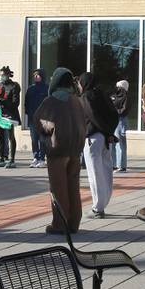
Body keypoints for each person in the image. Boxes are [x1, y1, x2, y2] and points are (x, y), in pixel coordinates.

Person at [33, 68, 86, 234]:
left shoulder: (51, 101)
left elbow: (38, 121)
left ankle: (59, 224)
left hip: (58, 151)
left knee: (58, 188)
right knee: (73, 187)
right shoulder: (77, 100)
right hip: (75, 151)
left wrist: (50, 135)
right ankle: (73, 223)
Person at [80, 72, 119, 219]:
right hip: (105, 138)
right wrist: (109, 132)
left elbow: (93, 116)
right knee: (106, 170)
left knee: (94, 173)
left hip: (93, 137)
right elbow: (115, 115)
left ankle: (97, 208)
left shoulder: (86, 96)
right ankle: (103, 203)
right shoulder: (102, 94)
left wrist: (105, 131)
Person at [0, 66, 21, 168]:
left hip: (10, 114)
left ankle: (12, 160)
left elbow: (16, 103)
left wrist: (3, 101)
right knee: (1, 136)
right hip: (0, 114)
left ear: (8, 75)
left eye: (4, 75)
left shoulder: (14, 86)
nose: (2, 77)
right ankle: (2, 158)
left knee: (11, 137)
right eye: (1, 75)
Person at [26, 68, 48, 168]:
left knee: (43, 139)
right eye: (34, 75)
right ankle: (36, 157)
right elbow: (26, 103)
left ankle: (42, 158)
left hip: (44, 118)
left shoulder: (47, 88)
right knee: (34, 139)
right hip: (33, 118)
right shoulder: (30, 89)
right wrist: (29, 113)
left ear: (42, 76)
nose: (36, 77)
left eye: (38, 75)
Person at [110, 79, 130, 172]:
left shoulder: (126, 97)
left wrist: (116, 112)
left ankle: (121, 165)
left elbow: (125, 109)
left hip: (120, 120)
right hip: (113, 119)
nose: (118, 88)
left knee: (120, 143)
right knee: (112, 143)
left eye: (120, 86)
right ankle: (113, 164)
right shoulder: (114, 95)